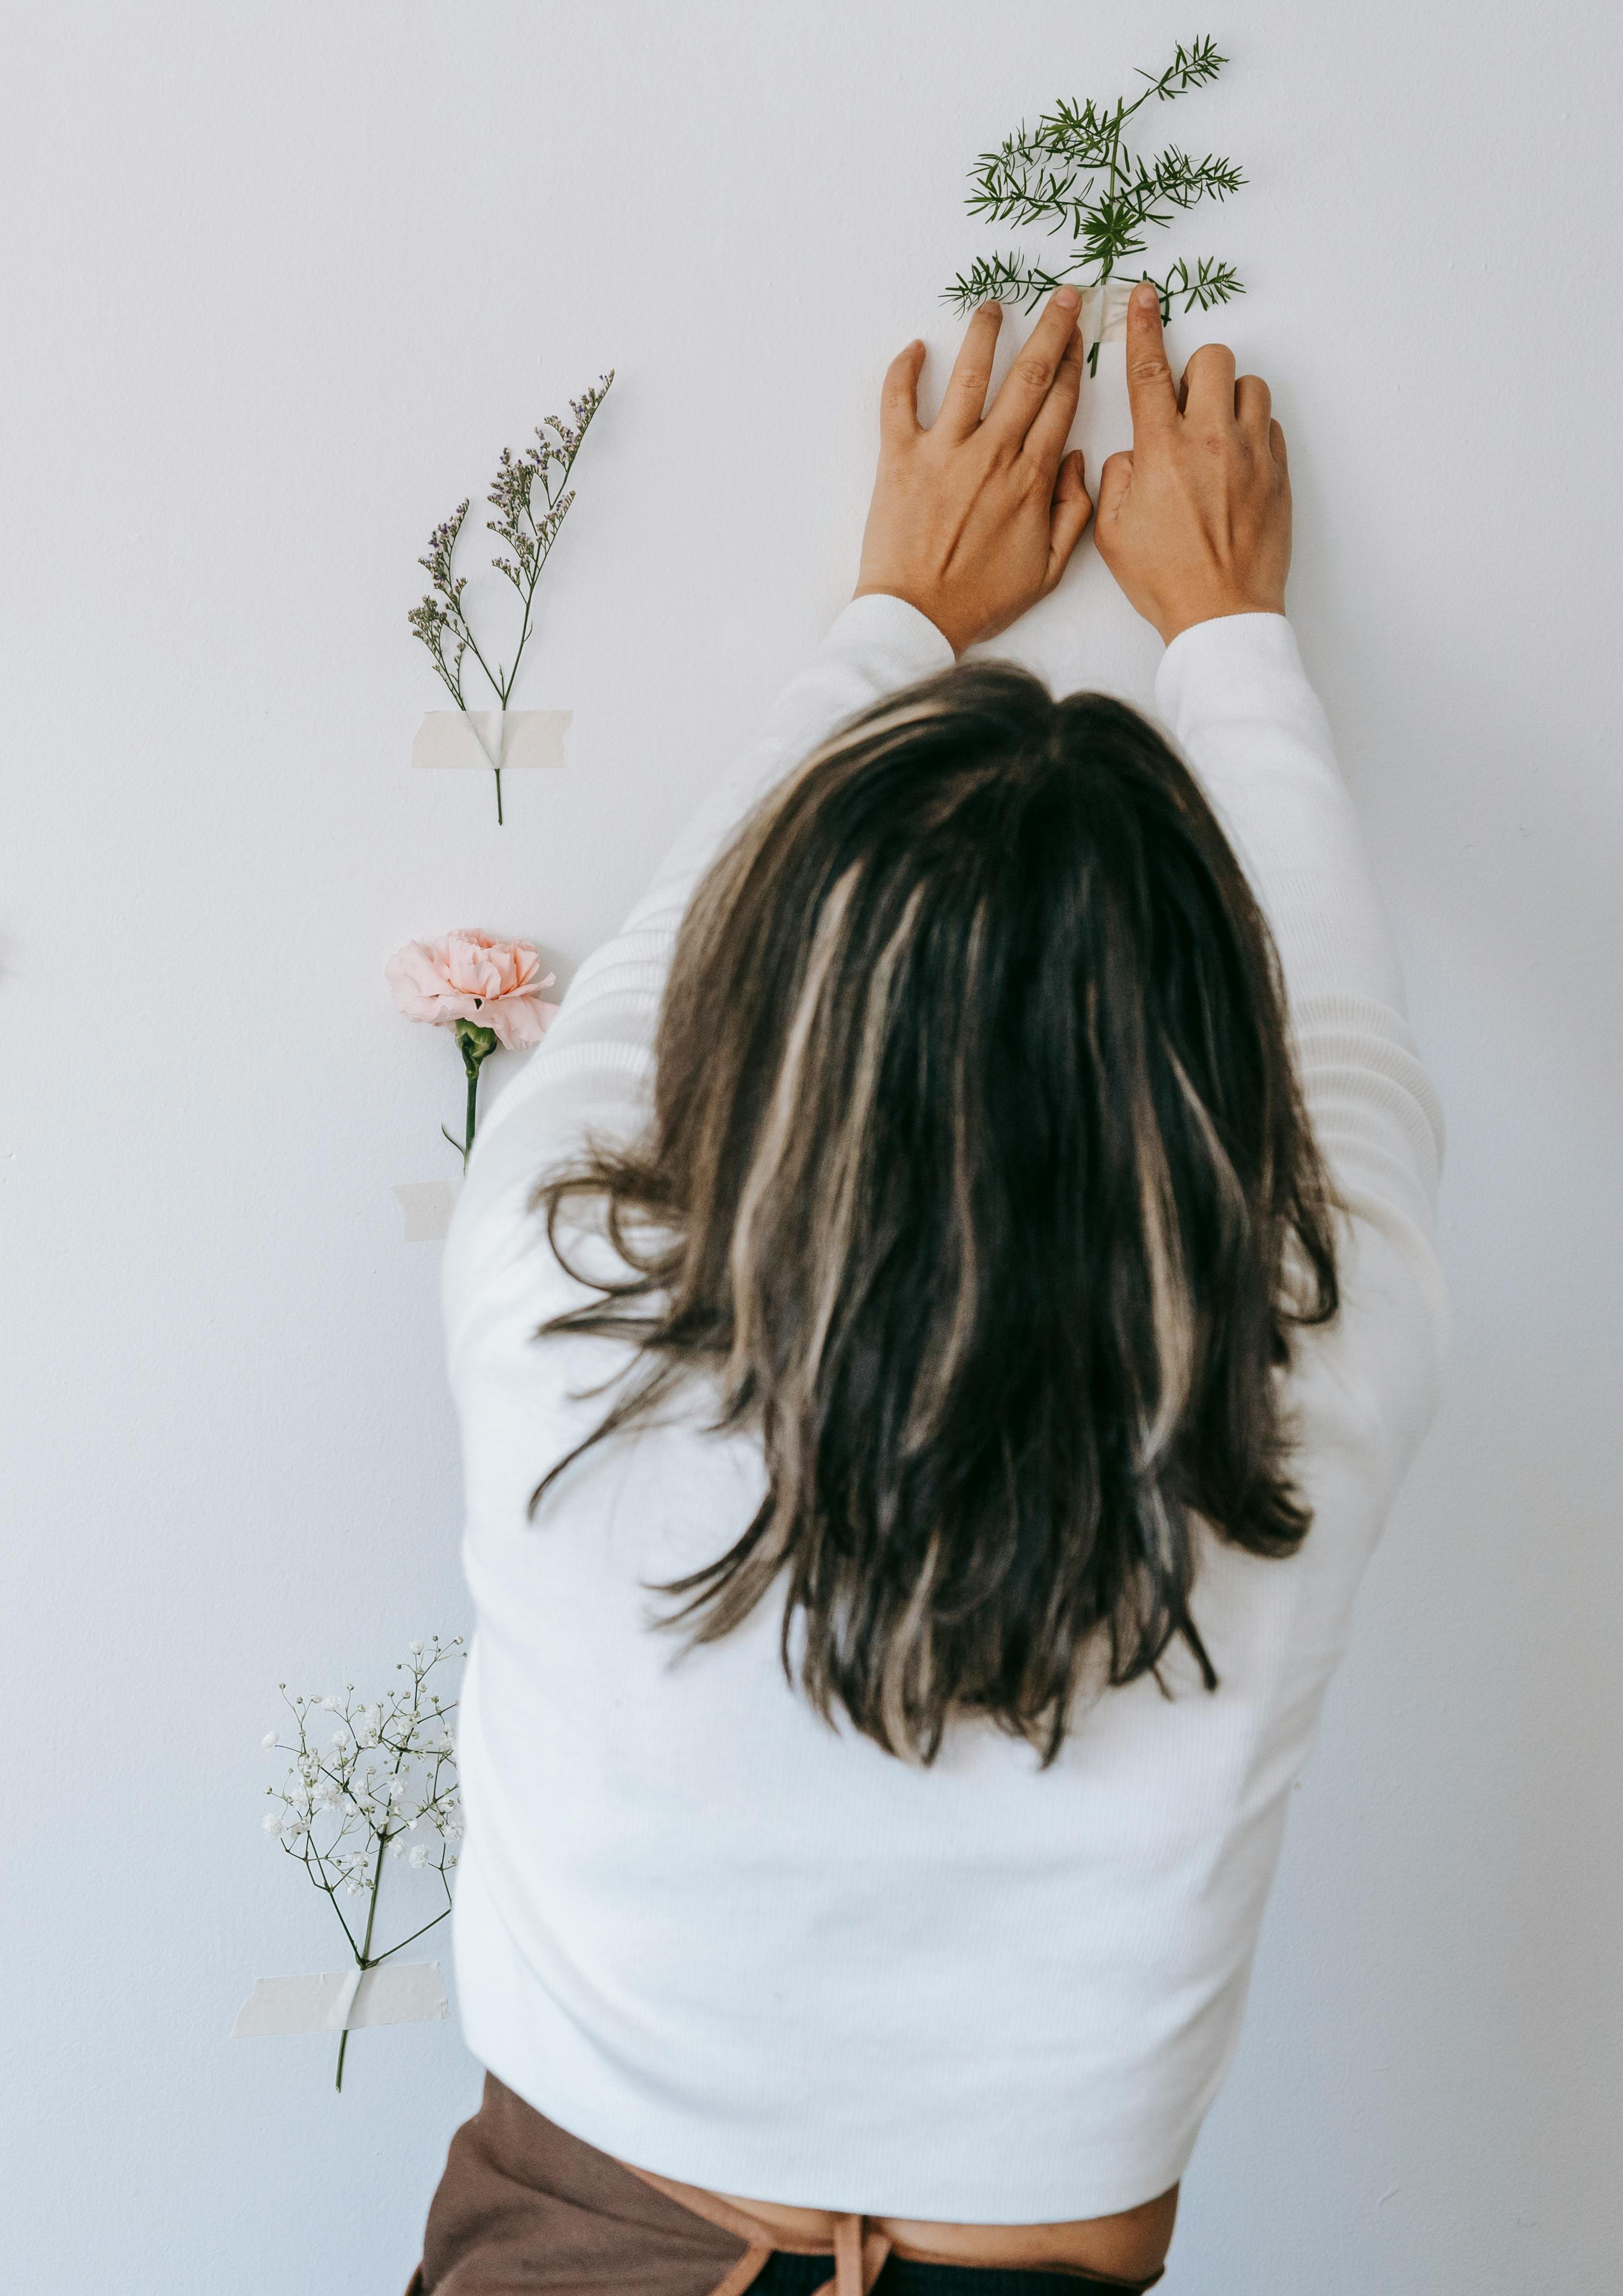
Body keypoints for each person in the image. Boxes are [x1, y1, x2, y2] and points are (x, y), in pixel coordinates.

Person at [409, 282, 1443, 2295]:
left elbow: (642, 998)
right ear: (1211, 1052)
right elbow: (1353, 1048)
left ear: (776, 1008)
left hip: (581, 2247)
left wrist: (895, 620)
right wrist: (1227, 634)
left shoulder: (564, 1310)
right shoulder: (1308, 1372)